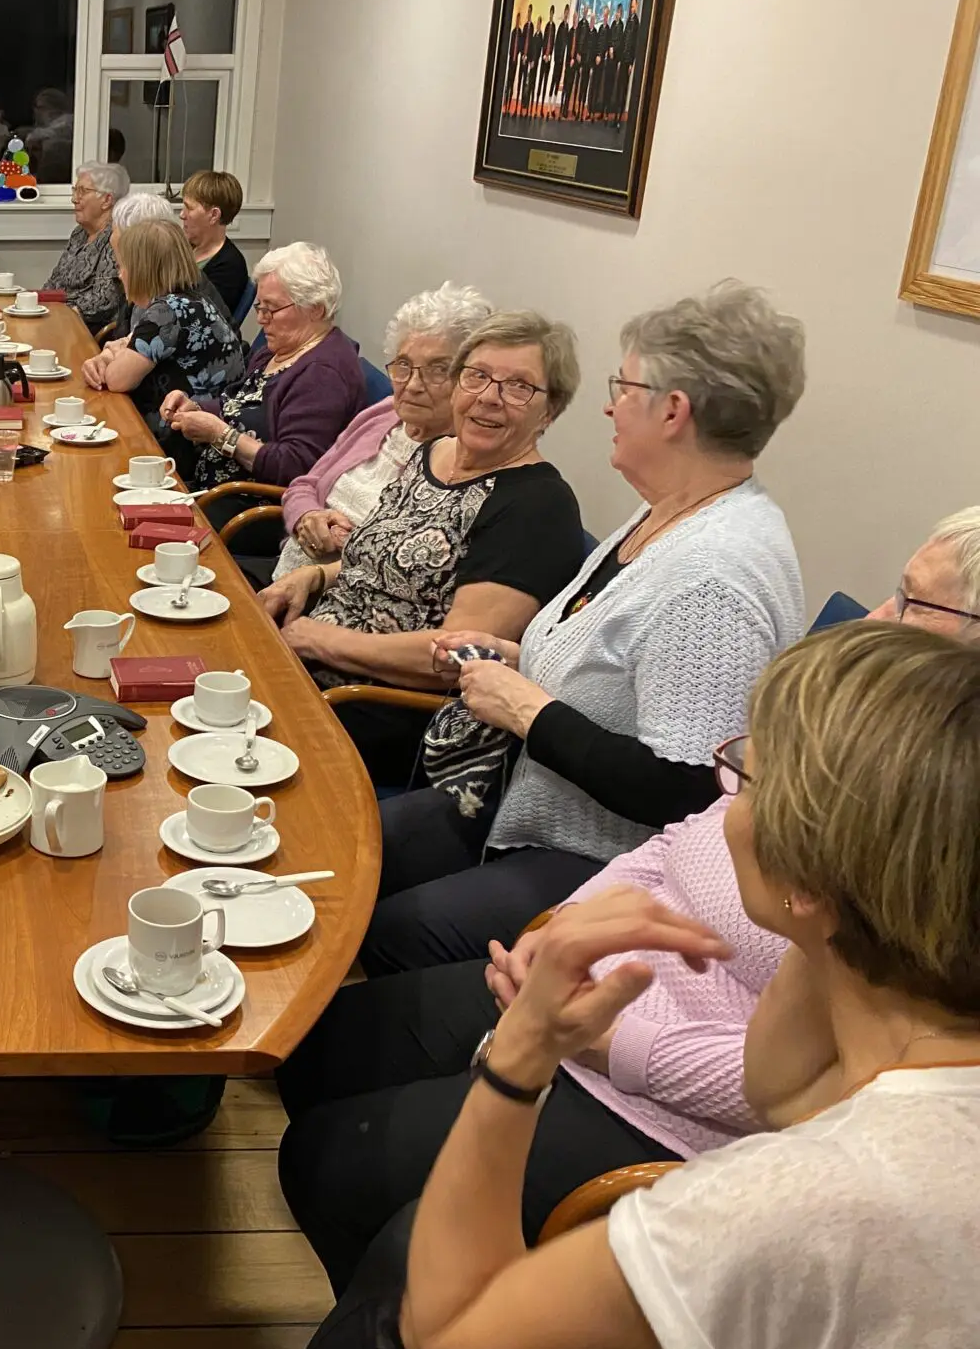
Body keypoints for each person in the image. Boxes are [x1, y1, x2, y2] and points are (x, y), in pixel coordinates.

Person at [87, 618, 980, 1349]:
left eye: (747, 776)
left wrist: (522, 1060)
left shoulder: (803, 1202)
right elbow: (777, 1083)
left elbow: (451, 1328)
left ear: (810, 887)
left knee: (416, 1331)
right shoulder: (882, 1014)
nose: (724, 791)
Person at [271, 506, 980, 1296]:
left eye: (910, 600)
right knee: (321, 1049)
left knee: (334, 1168)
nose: (875, 617)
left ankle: (417, 1324)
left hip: (662, 1100)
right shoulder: (859, 739)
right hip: (592, 993)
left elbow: (821, 1089)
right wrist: (567, 927)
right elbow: (679, 835)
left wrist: (604, 1039)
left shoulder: (923, 846)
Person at [365, 282, 808, 977]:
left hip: (601, 858)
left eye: (623, 387)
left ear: (673, 411)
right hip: (520, 797)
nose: (609, 406)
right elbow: (614, 664)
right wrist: (520, 659)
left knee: (388, 929)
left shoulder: (714, 574)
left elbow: (685, 790)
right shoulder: (667, 509)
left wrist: (526, 708)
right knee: (348, 847)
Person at [266, 309, 588, 785]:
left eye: (518, 386)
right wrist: (312, 576)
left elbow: (453, 659)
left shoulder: (538, 506)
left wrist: (323, 641)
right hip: (306, 657)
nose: (489, 397)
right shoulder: (432, 453)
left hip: (372, 706)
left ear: (550, 410)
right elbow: (383, 559)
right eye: (477, 376)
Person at [268, 281, 493, 579]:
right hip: (283, 573)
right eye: (403, 365)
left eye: (438, 369)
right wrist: (307, 516)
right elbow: (305, 484)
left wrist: (340, 544)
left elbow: (414, 568)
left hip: (340, 595)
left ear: (472, 379)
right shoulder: (385, 413)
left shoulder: (460, 464)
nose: (412, 385)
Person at [156, 242, 366, 492]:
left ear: (315, 310)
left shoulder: (323, 374)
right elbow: (239, 404)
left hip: (245, 502)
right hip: (211, 485)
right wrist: (195, 407)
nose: (260, 318)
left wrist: (221, 435)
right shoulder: (277, 350)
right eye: (260, 307)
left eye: (272, 308)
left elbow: (295, 468)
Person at [79, 218, 243, 432]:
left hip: (189, 436)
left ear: (141, 271)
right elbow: (128, 343)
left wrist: (115, 353)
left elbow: (117, 380)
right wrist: (110, 354)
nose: (120, 275)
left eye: (122, 266)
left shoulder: (166, 312)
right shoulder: (190, 300)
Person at [46, 160, 128, 330]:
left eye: (82, 191)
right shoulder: (79, 233)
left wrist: (58, 313)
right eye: (75, 190)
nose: (74, 199)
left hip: (86, 329)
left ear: (107, 200)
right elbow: (54, 282)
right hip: (58, 318)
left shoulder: (116, 238)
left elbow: (104, 300)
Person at [179, 169, 248, 318]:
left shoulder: (230, 266)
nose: (182, 215)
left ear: (214, 215)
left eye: (189, 208)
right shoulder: (184, 248)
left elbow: (202, 319)